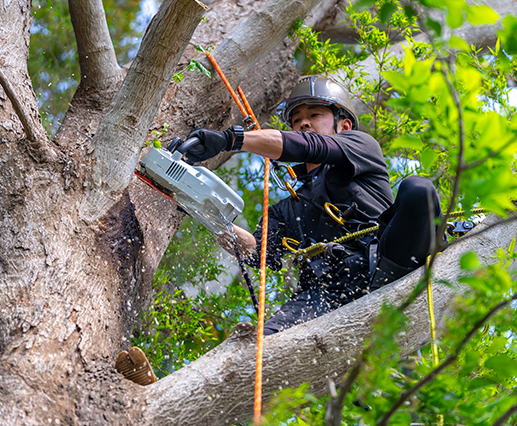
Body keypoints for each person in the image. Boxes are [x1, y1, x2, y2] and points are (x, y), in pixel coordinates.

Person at [185, 75, 443, 335]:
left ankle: (393, 278)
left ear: (344, 125)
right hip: (325, 292)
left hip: (387, 259)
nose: (303, 123)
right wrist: (212, 216)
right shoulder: (285, 210)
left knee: (418, 189)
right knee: (265, 341)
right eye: (296, 120)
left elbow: (311, 147)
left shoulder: (362, 146)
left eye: (315, 114)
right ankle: (146, 376)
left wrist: (231, 140)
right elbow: (258, 252)